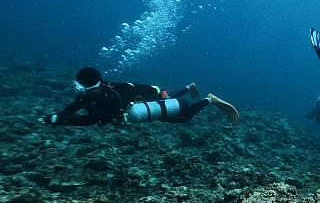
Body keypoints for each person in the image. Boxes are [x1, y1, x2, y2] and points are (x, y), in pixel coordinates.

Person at [42, 66, 239, 127]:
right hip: (145, 92)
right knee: (167, 97)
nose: (80, 94)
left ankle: (210, 99)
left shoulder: (109, 99)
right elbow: (74, 107)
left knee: (184, 116)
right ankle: (188, 87)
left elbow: (91, 119)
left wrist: (62, 121)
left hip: (145, 96)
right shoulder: (91, 93)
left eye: (83, 90)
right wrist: (61, 115)